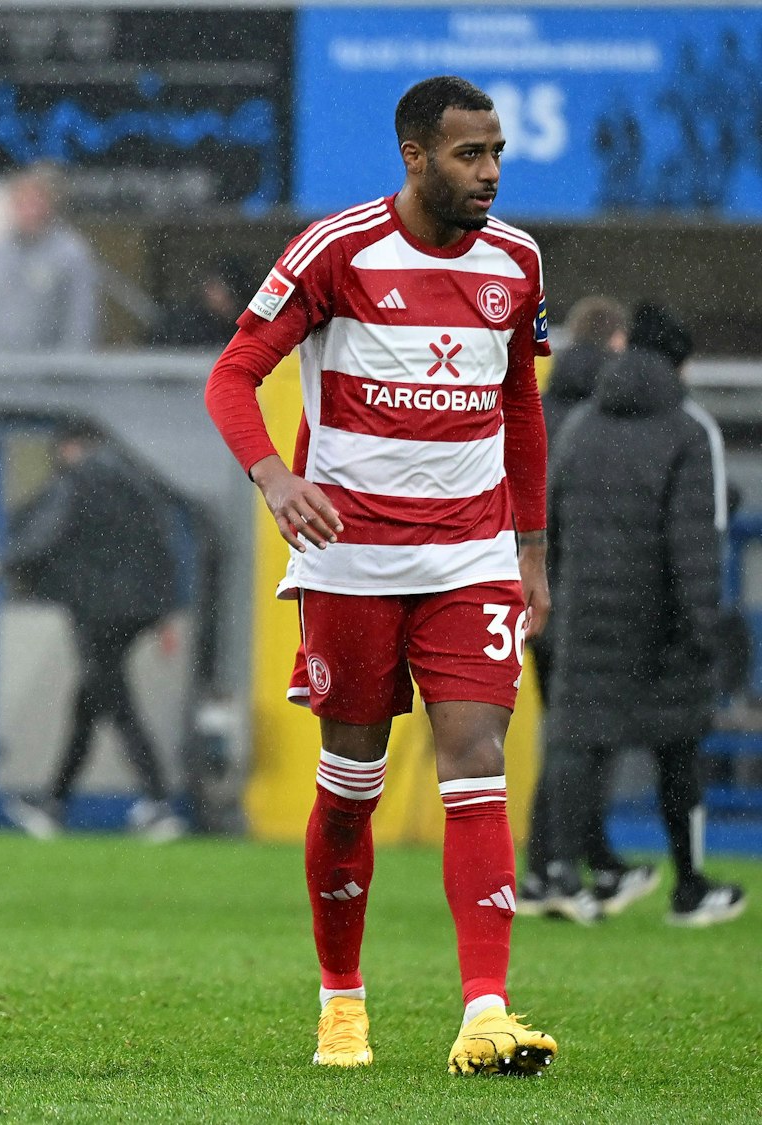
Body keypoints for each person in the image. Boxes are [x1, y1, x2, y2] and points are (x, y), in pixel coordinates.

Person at [203, 77, 557, 1074]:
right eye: (467, 155)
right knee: (350, 786)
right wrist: (272, 478)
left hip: (469, 555)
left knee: (474, 758)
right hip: (350, 561)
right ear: (413, 157)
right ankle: (341, 1000)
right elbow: (231, 377)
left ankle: (483, 1010)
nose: (488, 171)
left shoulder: (516, 262)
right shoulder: (337, 252)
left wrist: (528, 550)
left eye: (494, 152)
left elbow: (520, 414)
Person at [546, 304, 747, 929]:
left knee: (578, 747)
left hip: (582, 614)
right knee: (677, 751)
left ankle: (556, 875)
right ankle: (688, 887)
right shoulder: (690, 432)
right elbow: (696, 544)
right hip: (660, 625)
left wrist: (552, 597)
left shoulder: (580, 424)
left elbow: (546, 520)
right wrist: (703, 626)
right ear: (679, 363)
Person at [517, 295, 656, 922]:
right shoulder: (606, 417)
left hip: (531, 590)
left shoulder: (539, 408)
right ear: (617, 344)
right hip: (586, 597)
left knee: (572, 734)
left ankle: (590, 862)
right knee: (581, 739)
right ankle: (550, 870)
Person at [0, 421, 185, 842]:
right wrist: (164, 609)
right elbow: (164, 541)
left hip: (98, 609)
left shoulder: (78, 480)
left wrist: (0, 563)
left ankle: (159, 802)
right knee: (90, 700)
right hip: (137, 608)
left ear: (71, 447)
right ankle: (55, 804)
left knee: (114, 699)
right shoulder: (137, 481)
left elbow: (48, 531)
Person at [0, 164, 100, 352]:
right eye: (22, 203)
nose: (29, 210)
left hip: (51, 372)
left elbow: (80, 322)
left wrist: (69, 371)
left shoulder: (72, 254)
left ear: (50, 205)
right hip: (0, 372)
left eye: (35, 202)